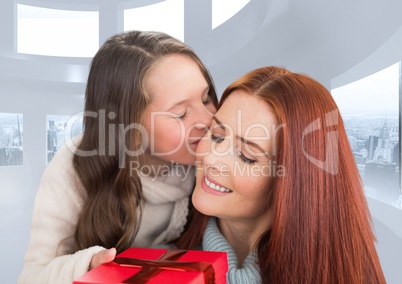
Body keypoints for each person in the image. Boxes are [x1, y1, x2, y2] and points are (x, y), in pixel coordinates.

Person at [18, 30, 218, 284]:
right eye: (180, 114)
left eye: (206, 97)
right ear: (130, 131)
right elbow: (31, 278)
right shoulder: (73, 168)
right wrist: (86, 266)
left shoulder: (214, 152)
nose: (209, 120)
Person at [177, 66, 386, 283]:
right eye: (217, 136)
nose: (210, 159)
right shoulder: (151, 241)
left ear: (294, 183)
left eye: (246, 156)